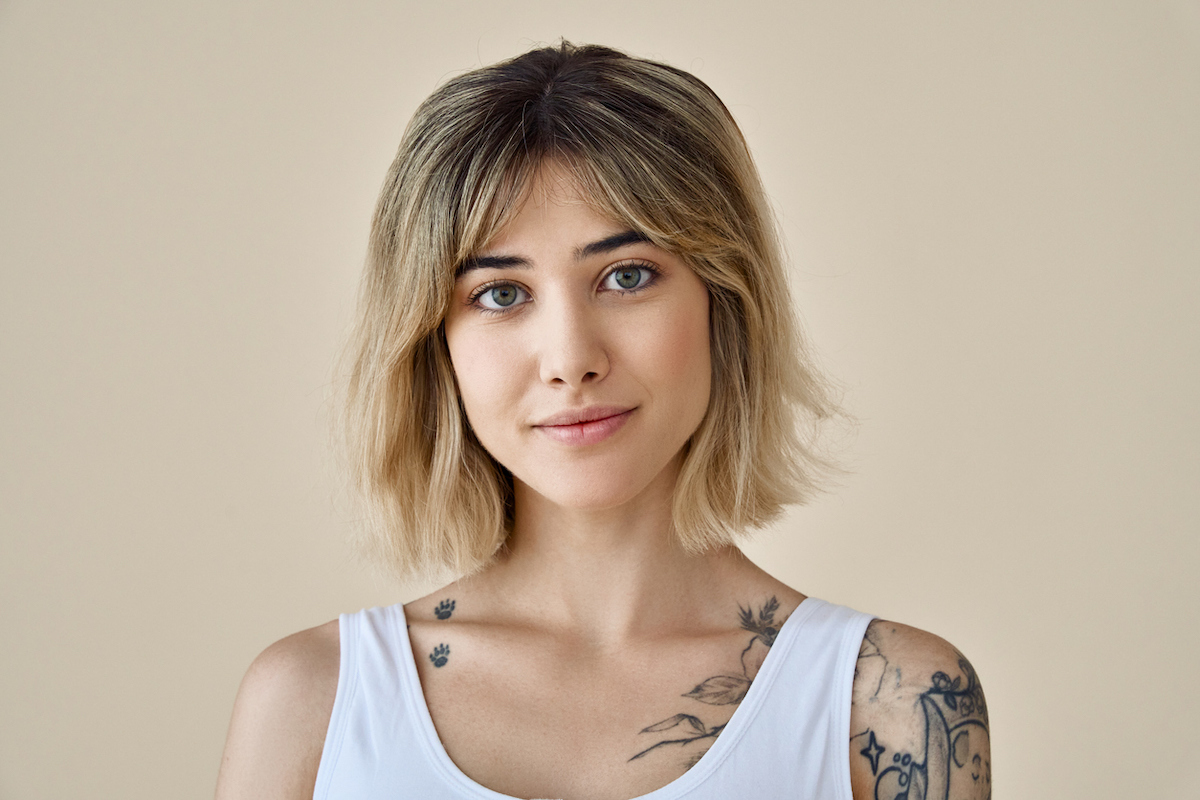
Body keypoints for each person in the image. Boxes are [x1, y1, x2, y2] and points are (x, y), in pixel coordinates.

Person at [214, 42, 991, 800]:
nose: (570, 360)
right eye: (500, 294)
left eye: (627, 276)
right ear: (433, 340)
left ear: (724, 301)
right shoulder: (309, 703)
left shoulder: (895, 706)